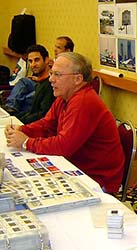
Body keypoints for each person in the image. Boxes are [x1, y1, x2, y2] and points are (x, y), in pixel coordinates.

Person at [4, 52, 124, 193]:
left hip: (96, 179)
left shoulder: (84, 102)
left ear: (78, 79)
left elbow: (63, 146)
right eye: (51, 73)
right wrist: (22, 130)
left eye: (58, 75)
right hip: (76, 166)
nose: (51, 80)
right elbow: (47, 125)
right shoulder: (65, 96)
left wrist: (26, 142)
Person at [4, 44, 55, 124]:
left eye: (37, 60)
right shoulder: (40, 83)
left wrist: (19, 122)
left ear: (46, 60)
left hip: (36, 127)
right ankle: (9, 110)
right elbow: (31, 112)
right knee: (23, 81)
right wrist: (13, 119)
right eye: (30, 61)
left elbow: (42, 115)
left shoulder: (51, 84)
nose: (33, 65)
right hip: (25, 119)